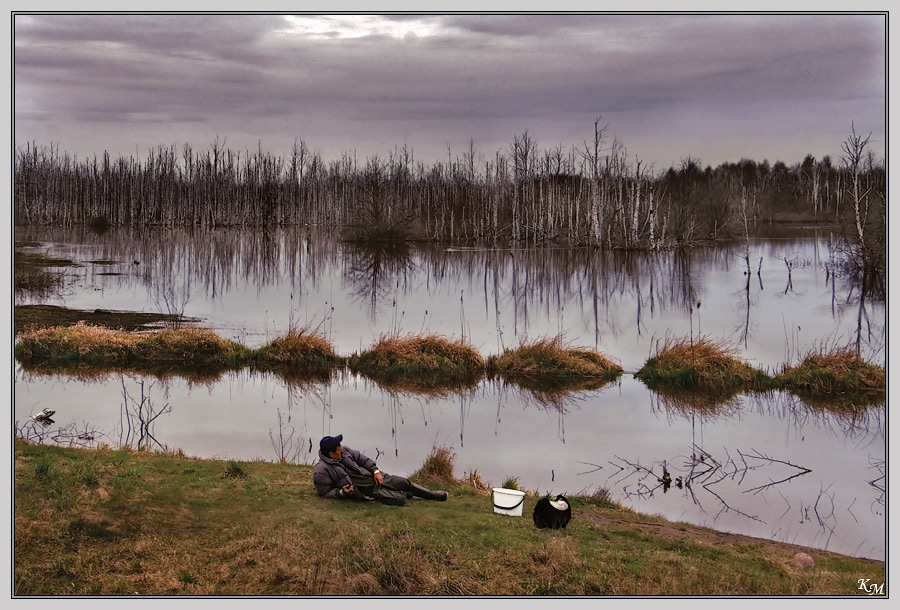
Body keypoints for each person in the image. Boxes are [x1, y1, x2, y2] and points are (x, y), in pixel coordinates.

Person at [313, 434, 448, 506]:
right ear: (331, 454)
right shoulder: (321, 471)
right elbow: (324, 493)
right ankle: (403, 493)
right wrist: (342, 492)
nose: (341, 449)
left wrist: (375, 471)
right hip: (367, 490)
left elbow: (363, 459)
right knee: (400, 500)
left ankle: (432, 495)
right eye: (338, 448)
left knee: (404, 482)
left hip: (376, 477)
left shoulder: (345, 451)